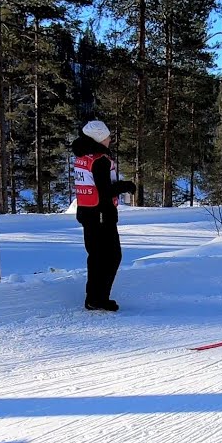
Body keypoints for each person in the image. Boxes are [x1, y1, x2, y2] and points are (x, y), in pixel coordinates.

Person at [73, 120, 135, 311]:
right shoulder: (99, 160)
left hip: (86, 212)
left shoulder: (83, 157)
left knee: (96, 256)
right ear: (99, 138)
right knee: (111, 256)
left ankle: (93, 298)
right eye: (107, 136)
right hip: (101, 214)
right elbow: (105, 190)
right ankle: (98, 298)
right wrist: (126, 186)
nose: (110, 140)